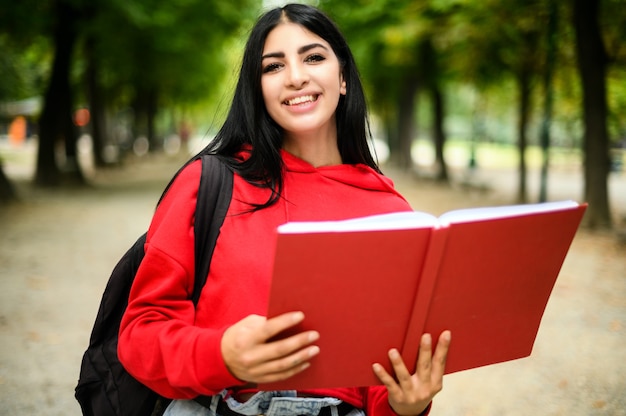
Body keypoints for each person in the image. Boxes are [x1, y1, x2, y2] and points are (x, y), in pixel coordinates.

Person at [118, 4, 451, 416]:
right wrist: (220, 355)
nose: (296, 77)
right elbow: (139, 335)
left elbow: (381, 380)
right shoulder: (207, 184)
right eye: (273, 67)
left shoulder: (391, 212)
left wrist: (408, 403)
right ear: (257, 88)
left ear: (343, 77)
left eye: (313, 57)